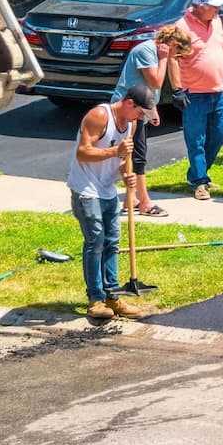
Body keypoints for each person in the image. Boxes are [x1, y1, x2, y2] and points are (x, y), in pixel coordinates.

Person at [69, 91, 155, 321]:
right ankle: (95, 299)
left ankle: (112, 295)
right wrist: (112, 152)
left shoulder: (131, 124)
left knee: (112, 242)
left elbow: (124, 158)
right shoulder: (99, 116)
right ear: (128, 103)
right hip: (85, 188)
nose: (139, 117)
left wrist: (127, 176)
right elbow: (82, 152)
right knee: (96, 240)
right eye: (138, 111)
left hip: (107, 189)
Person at [176, 0, 223, 201]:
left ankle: (195, 174)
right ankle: (200, 181)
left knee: (218, 137)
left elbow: (222, 47)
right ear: (199, 6)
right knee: (196, 140)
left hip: (217, 91)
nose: (217, 9)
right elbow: (174, 60)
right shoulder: (182, 27)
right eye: (213, 6)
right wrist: (177, 89)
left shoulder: (217, 21)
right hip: (194, 94)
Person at [108, 20, 173, 217]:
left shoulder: (154, 52)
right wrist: (163, 59)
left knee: (131, 155)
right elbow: (155, 82)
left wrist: (152, 111)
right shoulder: (147, 51)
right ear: (169, 43)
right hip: (128, 110)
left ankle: (131, 200)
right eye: (176, 50)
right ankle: (144, 203)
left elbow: (147, 90)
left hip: (139, 109)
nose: (174, 56)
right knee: (136, 156)